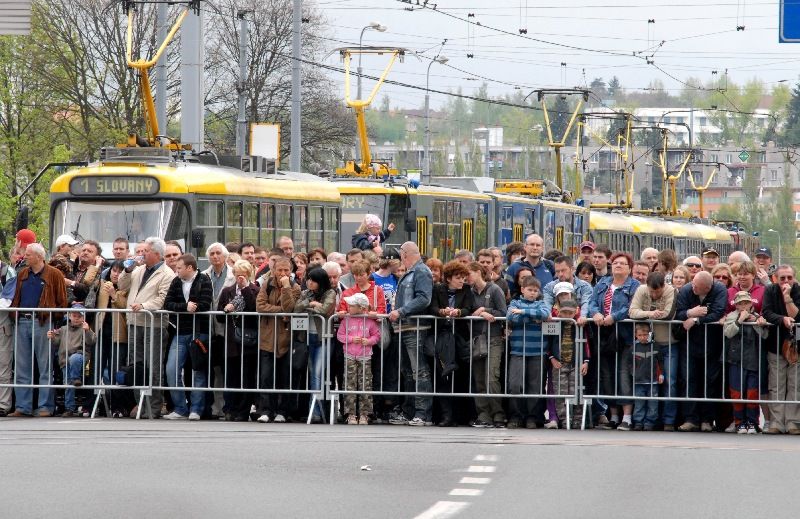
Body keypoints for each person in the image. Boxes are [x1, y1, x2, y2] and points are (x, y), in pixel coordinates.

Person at [117, 236, 176, 418]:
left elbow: (162, 298)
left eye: (146, 251)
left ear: (157, 254)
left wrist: (144, 306)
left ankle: (154, 406)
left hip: (154, 324)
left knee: (153, 366)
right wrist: (127, 270)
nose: (142, 254)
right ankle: (140, 403)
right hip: (135, 322)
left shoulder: (167, 274)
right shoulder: (139, 269)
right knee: (136, 365)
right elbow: (121, 285)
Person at [9, 243, 68, 417]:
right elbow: (16, 297)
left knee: (45, 365)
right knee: (22, 366)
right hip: (22, 321)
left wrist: (53, 320)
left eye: (28, 254)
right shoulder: (22, 274)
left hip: (43, 322)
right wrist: (14, 315)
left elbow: (62, 301)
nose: (25, 257)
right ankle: (22, 406)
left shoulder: (54, 274)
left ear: (39, 256)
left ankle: (45, 406)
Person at [588, 252, 640, 431]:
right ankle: (614, 415)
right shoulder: (603, 283)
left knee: (623, 374)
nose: (618, 265)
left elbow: (632, 307)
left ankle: (627, 417)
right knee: (607, 375)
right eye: (615, 263)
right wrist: (595, 313)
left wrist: (614, 316)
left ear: (629, 268)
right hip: (604, 335)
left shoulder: (634, 285)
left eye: (622, 263)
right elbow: (592, 302)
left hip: (624, 336)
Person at [675, 270, 727, 432]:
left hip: (712, 344)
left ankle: (707, 419)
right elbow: (678, 313)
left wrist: (696, 319)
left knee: (710, 381)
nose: (693, 288)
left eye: (697, 287)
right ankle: (690, 419)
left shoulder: (719, 290)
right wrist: (690, 313)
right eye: (693, 284)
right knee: (688, 380)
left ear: (708, 288)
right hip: (689, 344)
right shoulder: (686, 290)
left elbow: (717, 313)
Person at [388, 242, 434, 427]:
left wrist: (401, 311)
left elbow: (424, 298)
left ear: (405, 254)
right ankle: (409, 411)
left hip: (415, 328)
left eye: (401, 255)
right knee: (408, 372)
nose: (401, 258)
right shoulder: (411, 272)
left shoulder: (421, 271)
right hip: (404, 327)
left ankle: (423, 413)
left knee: (419, 371)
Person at [162, 254, 213, 421]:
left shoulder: (204, 280)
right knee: (171, 369)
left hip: (200, 332)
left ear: (189, 268)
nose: (176, 271)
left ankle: (196, 409)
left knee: (198, 370)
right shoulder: (176, 281)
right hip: (180, 332)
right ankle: (180, 407)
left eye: (179, 268)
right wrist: (185, 307)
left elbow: (205, 304)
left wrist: (193, 307)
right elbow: (167, 303)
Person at [428, 260, 477, 427]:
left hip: (459, 337)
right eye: (458, 277)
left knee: (462, 375)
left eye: (463, 277)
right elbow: (432, 308)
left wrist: (459, 312)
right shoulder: (437, 289)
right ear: (448, 278)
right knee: (443, 375)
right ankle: (445, 415)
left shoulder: (466, 290)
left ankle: (461, 415)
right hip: (442, 335)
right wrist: (442, 311)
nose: (461, 280)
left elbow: (469, 308)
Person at [628, 272, 678, 430]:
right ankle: (644, 420)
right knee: (646, 383)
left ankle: (668, 420)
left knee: (669, 381)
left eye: (658, 292)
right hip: (647, 345)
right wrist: (650, 313)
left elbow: (669, 314)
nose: (654, 295)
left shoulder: (671, 291)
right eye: (652, 291)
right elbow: (632, 312)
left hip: (668, 343)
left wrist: (644, 315)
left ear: (664, 286)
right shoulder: (641, 290)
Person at [255, 257, 301, 423]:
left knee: (285, 377)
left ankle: (283, 411)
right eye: (279, 270)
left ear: (291, 271)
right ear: (273, 270)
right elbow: (260, 306)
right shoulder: (267, 285)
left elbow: (290, 308)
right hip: (267, 338)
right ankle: (266, 410)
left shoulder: (295, 287)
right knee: (266, 377)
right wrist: (279, 310)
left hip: (286, 339)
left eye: (286, 270)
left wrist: (286, 287)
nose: (282, 273)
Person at [217, 260, 261, 421]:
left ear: (249, 274)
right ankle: (230, 409)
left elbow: (254, 309)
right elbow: (219, 316)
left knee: (247, 377)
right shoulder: (227, 291)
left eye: (243, 274)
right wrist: (225, 309)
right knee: (231, 376)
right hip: (231, 341)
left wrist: (245, 289)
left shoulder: (256, 290)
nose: (240, 277)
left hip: (249, 340)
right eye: (237, 274)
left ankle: (243, 411)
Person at [466, 262, 507, 428]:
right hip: (477, 339)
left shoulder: (495, 289)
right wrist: (479, 312)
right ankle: (483, 414)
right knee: (479, 379)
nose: (466, 278)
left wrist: (486, 311)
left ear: (478, 272)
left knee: (492, 377)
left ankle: (498, 414)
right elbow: (467, 311)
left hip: (493, 338)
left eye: (469, 274)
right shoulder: (469, 292)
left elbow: (503, 312)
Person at [506, 276, 549, 429]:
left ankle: (532, 416)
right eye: (530, 290)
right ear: (522, 289)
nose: (532, 293)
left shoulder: (541, 303)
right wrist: (532, 317)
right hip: (518, 350)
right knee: (515, 384)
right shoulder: (514, 303)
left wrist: (523, 312)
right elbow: (511, 316)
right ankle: (516, 415)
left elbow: (545, 314)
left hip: (537, 351)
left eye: (535, 291)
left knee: (535, 386)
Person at [761, 264, 800, 435]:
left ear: (794, 278)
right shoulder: (770, 290)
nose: (786, 281)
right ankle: (776, 422)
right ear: (775, 278)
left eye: (789, 277)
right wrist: (782, 319)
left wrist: (787, 298)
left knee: (795, 385)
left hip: (796, 346)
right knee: (776, 385)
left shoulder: (798, 290)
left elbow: (797, 315)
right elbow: (766, 312)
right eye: (782, 278)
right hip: (775, 345)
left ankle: (793, 422)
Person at [294, 267, 336, 422]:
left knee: (317, 374)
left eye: (313, 280)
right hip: (307, 338)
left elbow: (325, 310)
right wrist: (311, 303)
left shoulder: (330, 293)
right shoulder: (306, 293)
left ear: (320, 281)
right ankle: (316, 410)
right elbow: (296, 308)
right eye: (308, 279)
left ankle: (316, 412)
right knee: (312, 374)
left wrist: (310, 306)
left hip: (323, 338)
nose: (309, 282)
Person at [723, 290, 768, 434]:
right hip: (735, 359)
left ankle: (752, 422)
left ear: (750, 303)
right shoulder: (731, 316)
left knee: (752, 393)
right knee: (736, 392)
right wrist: (740, 320)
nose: (743, 306)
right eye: (740, 303)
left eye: (746, 303)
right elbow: (728, 333)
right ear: (736, 305)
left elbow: (765, 335)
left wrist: (758, 322)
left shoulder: (757, 316)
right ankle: (739, 422)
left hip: (752, 359)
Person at [337, 293, 380, 425]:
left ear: (361, 308)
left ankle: (364, 414)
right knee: (349, 384)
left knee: (365, 384)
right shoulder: (346, 320)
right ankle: (350, 414)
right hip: (349, 355)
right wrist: (350, 339)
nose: (349, 307)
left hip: (365, 357)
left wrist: (369, 341)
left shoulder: (370, 321)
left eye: (352, 306)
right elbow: (340, 335)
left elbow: (376, 335)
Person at [546, 298, 588, 429]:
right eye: (564, 312)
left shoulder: (579, 325)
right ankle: (564, 419)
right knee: (561, 393)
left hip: (576, 364)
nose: (567, 315)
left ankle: (577, 419)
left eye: (570, 313)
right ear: (559, 312)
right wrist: (552, 358)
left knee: (576, 392)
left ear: (576, 312)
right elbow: (547, 342)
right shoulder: (555, 324)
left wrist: (586, 361)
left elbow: (586, 345)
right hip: (559, 364)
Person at [48, 303, 96, 417]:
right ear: (69, 316)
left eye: (79, 316)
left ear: (83, 318)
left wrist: (87, 331)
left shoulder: (85, 328)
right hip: (64, 360)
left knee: (74, 359)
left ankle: (76, 378)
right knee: (67, 384)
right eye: (74, 316)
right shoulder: (63, 329)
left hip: (80, 356)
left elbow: (92, 341)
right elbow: (56, 342)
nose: (76, 318)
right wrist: (52, 337)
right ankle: (69, 408)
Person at [631, 322, 663, 431]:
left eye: (645, 335)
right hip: (638, 381)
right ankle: (638, 422)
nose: (643, 337)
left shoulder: (655, 346)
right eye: (640, 335)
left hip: (653, 381)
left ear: (650, 334)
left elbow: (660, 361)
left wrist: (661, 374)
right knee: (639, 403)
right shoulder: (633, 347)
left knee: (653, 403)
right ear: (635, 335)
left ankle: (650, 422)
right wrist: (633, 373)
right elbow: (630, 363)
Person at [0, 254, 17, 417]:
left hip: (2, 324)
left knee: (3, 364)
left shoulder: (8, 271)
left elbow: (6, 301)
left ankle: (3, 404)